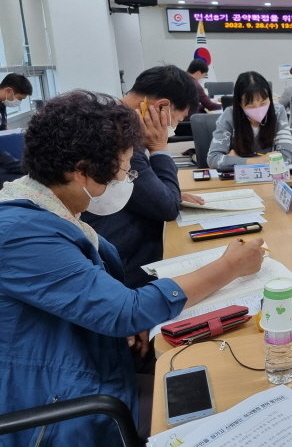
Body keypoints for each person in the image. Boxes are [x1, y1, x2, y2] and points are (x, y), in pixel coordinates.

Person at [0, 90, 263, 446]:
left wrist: (126, 316)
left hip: (88, 365)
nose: (126, 180)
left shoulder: (51, 212)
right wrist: (228, 267)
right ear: (81, 172)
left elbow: (105, 301)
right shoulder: (22, 232)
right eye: (124, 169)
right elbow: (125, 311)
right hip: (63, 408)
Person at [82, 65, 200, 288]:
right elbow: (166, 207)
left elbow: (149, 189)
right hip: (117, 271)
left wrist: (164, 190)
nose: (172, 127)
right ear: (162, 106)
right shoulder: (118, 136)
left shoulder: (104, 118)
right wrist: (159, 148)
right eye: (176, 119)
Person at [207, 71, 292, 168]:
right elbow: (213, 159)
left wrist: (236, 160)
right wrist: (259, 160)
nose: (258, 109)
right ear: (240, 104)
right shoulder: (229, 115)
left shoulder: (277, 111)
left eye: (263, 103)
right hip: (237, 179)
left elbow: (287, 155)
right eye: (250, 105)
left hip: (271, 177)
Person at [0, 74, 32, 187]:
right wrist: (19, 166)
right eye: (19, 99)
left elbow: (3, 128)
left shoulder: (2, 105)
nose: (19, 102)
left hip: (3, 153)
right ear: (9, 90)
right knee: (22, 179)